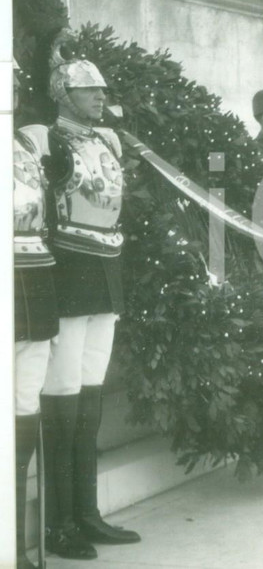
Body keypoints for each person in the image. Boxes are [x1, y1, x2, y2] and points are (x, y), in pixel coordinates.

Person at [28, 49, 141, 559]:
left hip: (106, 269)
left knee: (90, 395)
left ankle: (88, 512)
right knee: (63, 393)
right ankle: (59, 521)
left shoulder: (109, 140)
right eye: (90, 90)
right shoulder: (43, 136)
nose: (101, 97)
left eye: (101, 91)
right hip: (70, 271)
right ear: (63, 93)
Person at [13, 62, 58, 569]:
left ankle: (20, 546)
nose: (16, 88)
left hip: (36, 278)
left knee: (27, 410)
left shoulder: (28, 143)